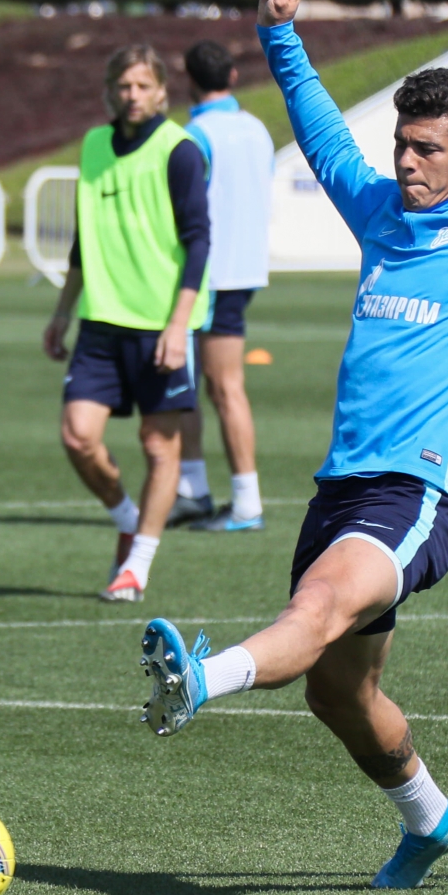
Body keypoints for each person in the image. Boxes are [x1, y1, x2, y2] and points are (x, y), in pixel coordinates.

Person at [140, 0, 448, 889]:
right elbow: (321, 134)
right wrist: (280, 33)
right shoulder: (382, 211)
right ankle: (432, 819)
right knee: (339, 692)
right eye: (401, 145)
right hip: (340, 486)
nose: (408, 163)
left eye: (428, 149)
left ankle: (200, 678)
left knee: (311, 612)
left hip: (418, 492)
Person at [42, 44, 210, 602]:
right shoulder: (93, 145)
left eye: (142, 86)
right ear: (109, 91)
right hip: (100, 321)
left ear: (161, 91)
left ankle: (137, 565)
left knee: (158, 446)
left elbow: (198, 241)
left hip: (162, 324)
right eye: (123, 86)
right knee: (77, 435)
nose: (132, 95)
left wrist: (178, 324)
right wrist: (61, 312)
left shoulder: (179, 151)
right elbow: (82, 239)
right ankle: (126, 516)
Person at [168, 40, 275, 533]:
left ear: (189, 79)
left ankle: (244, 502)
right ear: (232, 76)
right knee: (191, 382)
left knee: (219, 386)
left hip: (208, 273)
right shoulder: (257, 128)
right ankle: (194, 491)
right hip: (244, 266)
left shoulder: (194, 135)